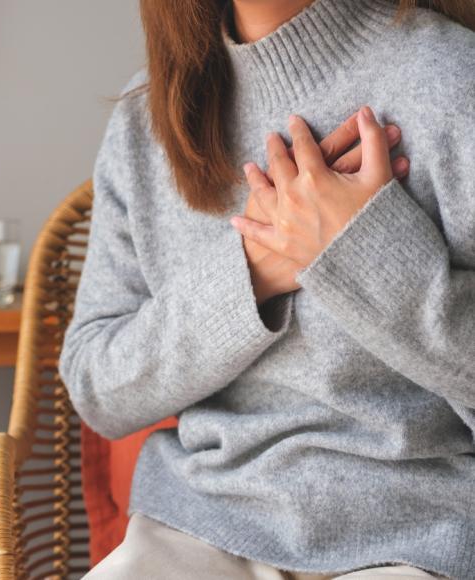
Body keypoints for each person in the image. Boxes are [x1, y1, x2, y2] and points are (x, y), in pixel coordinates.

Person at [58, 0, 475, 578]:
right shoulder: (145, 120)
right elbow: (97, 386)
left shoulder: (451, 77)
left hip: (419, 536)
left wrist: (365, 253)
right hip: (198, 529)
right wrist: (253, 268)